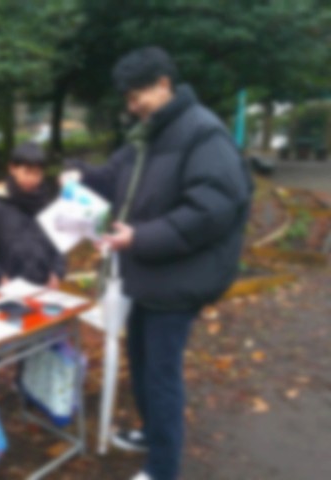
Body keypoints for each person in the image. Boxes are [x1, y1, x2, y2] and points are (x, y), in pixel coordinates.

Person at [65, 47, 253, 480]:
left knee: (161, 373)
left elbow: (212, 208)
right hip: (149, 271)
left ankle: (163, 468)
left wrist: (141, 237)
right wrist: (78, 174)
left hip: (179, 276)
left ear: (164, 84)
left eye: (138, 97)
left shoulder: (203, 133)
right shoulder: (147, 134)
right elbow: (112, 177)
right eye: (128, 100)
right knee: (141, 359)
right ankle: (152, 433)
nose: (132, 107)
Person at [0, 142, 65, 288]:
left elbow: (60, 241)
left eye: (37, 173)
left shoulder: (47, 206)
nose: (32, 179)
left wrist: (57, 271)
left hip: (44, 287)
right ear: (12, 168)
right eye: (27, 172)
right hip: (10, 289)